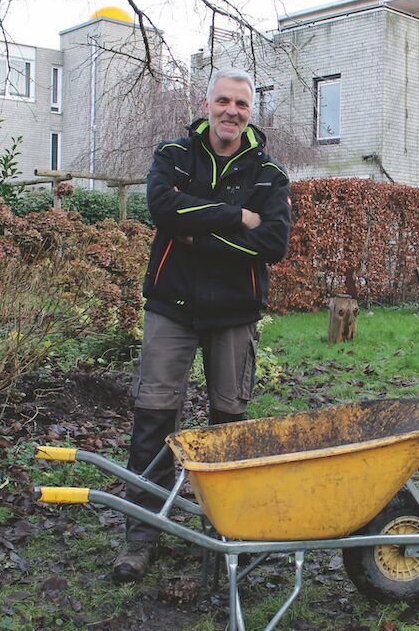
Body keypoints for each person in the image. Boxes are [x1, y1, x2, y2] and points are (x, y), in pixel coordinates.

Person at [113, 67, 292, 582]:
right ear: (206, 102)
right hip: (171, 307)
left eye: (241, 104)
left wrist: (197, 234)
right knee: (152, 418)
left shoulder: (270, 174)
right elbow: (163, 209)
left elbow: (273, 245)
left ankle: (225, 533)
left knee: (227, 423)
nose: (231, 112)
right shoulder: (173, 156)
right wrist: (237, 217)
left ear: (250, 111)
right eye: (223, 101)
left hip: (234, 315)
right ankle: (142, 534)